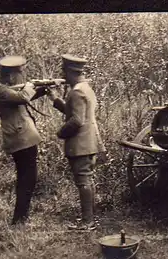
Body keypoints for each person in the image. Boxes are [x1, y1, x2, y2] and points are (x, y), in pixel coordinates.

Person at [46, 54, 106, 231]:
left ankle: (88, 222)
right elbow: (73, 112)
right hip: (88, 143)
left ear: (70, 72)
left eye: (64, 71)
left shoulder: (76, 91)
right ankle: (90, 219)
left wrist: (60, 133)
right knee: (87, 180)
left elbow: (76, 121)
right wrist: (55, 99)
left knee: (83, 182)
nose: (62, 75)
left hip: (81, 145)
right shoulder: (85, 88)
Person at [0, 55, 48, 226]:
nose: (22, 76)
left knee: (27, 178)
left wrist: (42, 89)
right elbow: (22, 97)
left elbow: (21, 98)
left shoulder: (8, 91)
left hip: (23, 137)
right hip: (20, 138)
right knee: (27, 179)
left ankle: (21, 217)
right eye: (20, 73)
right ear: (11, 75)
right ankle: (19, 219)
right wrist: (30, 86)